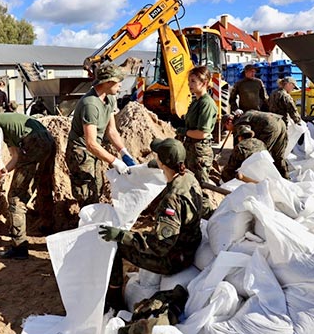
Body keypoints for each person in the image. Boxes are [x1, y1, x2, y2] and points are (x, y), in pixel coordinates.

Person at [99, 138, 202, 312]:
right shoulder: (190, 178)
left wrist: (122, 235)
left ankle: (114, 299)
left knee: (117, 246)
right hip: (189, 246)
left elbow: (160, 246)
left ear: (163, 163)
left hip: (173, 259)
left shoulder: (171, 201)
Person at [0, 113, 56, 259]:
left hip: (34, 142)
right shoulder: (11, 130)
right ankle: (48, 226)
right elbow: (16, 158)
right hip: (48, 140)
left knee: (15, 198)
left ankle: (19, 247)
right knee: (44, 186)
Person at [65, 63, 137, 207]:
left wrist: (124, 152)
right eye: (118, 82)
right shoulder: (90, 105)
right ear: (107, 82)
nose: (121, 86)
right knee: (87, 194)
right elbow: (90, 143)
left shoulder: (109, 98)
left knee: (97, 186)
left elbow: (111, 130)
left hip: (95, 151)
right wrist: (114, 161)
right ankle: (85, 224)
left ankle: (94, 221)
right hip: (82, 153)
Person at [177, 66, 217, 213]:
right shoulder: (196, 102)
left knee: (201, 188)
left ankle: (207, 220)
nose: (190, 84)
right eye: (189, 81)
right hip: (191, 149)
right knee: (190, 186)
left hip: (199, 152)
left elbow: (202, 133)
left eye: (193, 81)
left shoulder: (206, 103)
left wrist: (184, 131)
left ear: (204, 82)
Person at [222, 110, 289, 179]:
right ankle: (285, 178)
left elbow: (246, 142)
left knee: (260, 155)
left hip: (269, 126)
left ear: (229, 122)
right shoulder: (245, 116)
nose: (228, 130)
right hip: (280, 122)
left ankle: (261, 179)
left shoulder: (239, 123)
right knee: (278, 156)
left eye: (226, 128)